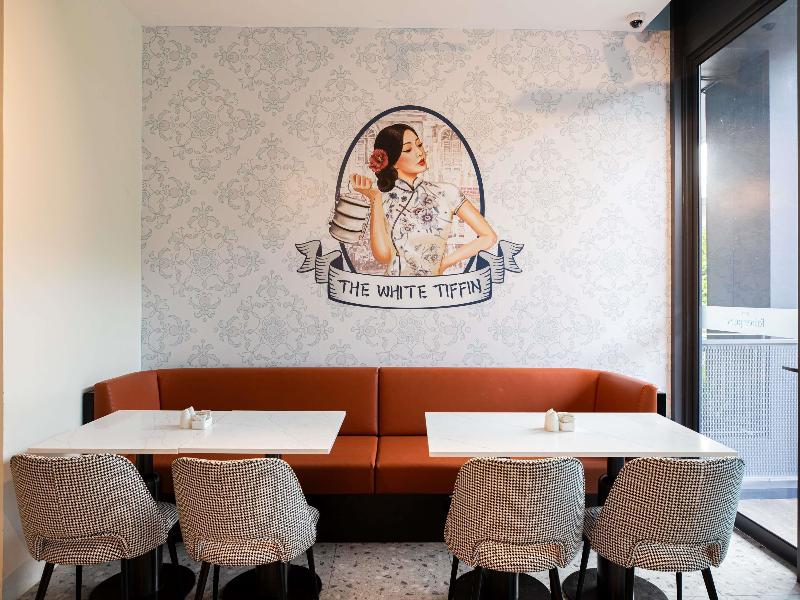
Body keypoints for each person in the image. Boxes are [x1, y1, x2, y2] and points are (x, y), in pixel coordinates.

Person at [350, 124, 496, 276]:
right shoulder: (382, 197)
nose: (420, 152)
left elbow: (489, 237)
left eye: (419, 145)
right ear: (391, 160)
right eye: (408, 149)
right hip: (394, 285)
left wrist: (444, 264)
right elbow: (383, 256)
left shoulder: (447, 192)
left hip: (434, 285)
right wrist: (374, 198)